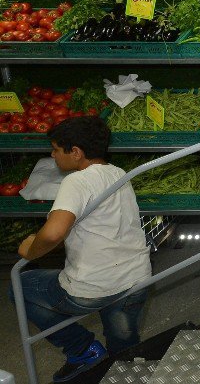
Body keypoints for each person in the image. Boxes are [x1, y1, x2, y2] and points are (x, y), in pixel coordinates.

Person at [11, 116, 151, 382]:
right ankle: (126, 370)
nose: (52, 155)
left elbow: (53, 233)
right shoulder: (119, 173)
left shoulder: (76, 182)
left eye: (55, 149)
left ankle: (82, 349)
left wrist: (30, 250)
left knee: (20, 286)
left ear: (76, 152)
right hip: (136, 278)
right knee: (124, 350)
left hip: (92, 287)